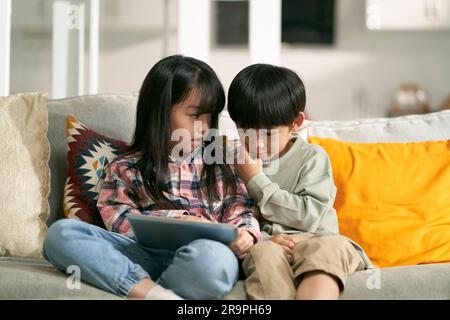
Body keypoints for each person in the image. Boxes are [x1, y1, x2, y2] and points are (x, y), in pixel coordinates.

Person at [43, 55, 262, 300]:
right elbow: (119, 221)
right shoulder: (127, 168)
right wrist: (181, 220)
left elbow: (243, 210)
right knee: (61, 234)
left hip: (202, 257)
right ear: (160, 113)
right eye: (194, 115)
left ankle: (152, 292)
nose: (205, 126)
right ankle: (153, 293)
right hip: (140, 256)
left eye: (210, 116)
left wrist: (246, 235)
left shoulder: (225, 163)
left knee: (215, 260)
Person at [227, 63, 372, 300]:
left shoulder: (312, 157)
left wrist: (256, 180)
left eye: (268, 134)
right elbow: (237, 218)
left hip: (319, 239)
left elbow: (309, 216)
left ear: (296, 122)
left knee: (323, 252)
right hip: (272, 244)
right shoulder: (235, 161)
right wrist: (263, 238)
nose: (257, 144)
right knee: (262, 254)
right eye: (245, 131)